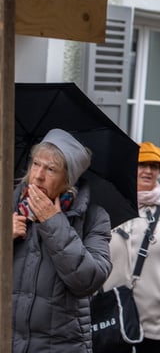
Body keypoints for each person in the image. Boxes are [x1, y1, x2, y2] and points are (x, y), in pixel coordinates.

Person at [12, 128, 112, 352]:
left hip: (60, 346)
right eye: (36, 164)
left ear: (69, 178)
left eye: (50, 169)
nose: (38, 175)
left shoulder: (94, 218)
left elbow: (88, 280)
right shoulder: (8, 205)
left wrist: (53, 223)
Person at [103, 141, 160, 353]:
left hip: (154, 317)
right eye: (142, 165)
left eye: (154, 166)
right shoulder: (110, 204)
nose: (148, 171)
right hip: (111, 313)